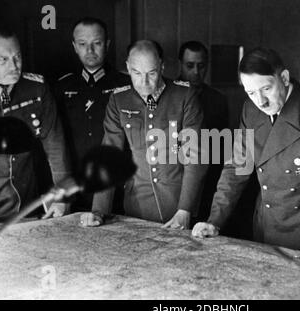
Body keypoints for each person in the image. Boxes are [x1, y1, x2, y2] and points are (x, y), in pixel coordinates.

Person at [192, 47, 300, 265]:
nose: (261, 101)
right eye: (251, 93)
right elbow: (238, 168)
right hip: (267, 225)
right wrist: (214, 220)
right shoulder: (250, 110)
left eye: (266, 89)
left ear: (284, 78)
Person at [80, 40, 206, 229]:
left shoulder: (184, 96)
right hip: (137, 206)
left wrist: (185, 209)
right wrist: (98, 210)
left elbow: (194, 157)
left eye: (152, 73)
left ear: (162, 67)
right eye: (136, 73)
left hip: (178, 205)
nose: (144, 82)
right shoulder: (119, 100)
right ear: (128, 68)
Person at [0, 22, 70, 221]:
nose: (14, 67)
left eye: (17, 57)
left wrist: (62, 197)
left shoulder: (36, 89)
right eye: (3, 60)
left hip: (28, 209)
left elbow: (56, 149)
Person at [56, 17, 130, 211]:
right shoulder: (62, 87)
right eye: (82, 44)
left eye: (96, 43)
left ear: (107, 44)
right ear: (74, 46)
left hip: (115, 189)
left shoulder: (125, 85)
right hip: (76, 188)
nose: (89, 50)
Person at [178, 41, 229, 223]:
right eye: (189, 66)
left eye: (201, 66)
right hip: (177, 179)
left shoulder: (218, 100)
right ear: (180, 64)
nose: (196, 72)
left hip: (209, 179)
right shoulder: (170, 95)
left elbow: (223, 146)